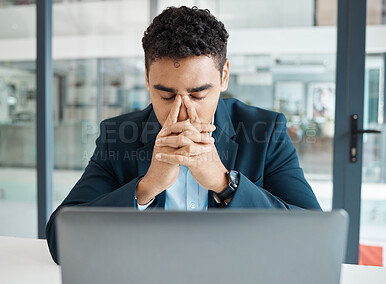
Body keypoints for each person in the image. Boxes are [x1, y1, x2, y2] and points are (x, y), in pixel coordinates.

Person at [46, 6, 321, 264]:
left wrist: (225, 183)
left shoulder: (266, 131)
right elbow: (62, 240)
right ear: (146, 78)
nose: (182, 112)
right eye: (166, 95)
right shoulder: (117, 135)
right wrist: (146, 188)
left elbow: (313, 237)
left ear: (224, 76)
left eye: (198, 94)